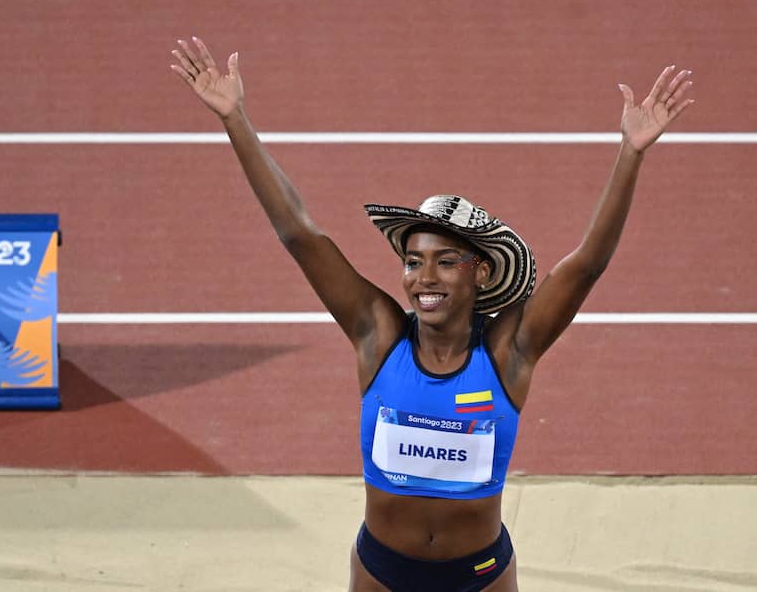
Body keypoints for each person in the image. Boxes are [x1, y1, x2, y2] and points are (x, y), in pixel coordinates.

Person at [170, 36, 693, 592]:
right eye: (414, 261)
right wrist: (235, 119)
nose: (425, 278)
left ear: (481, 272)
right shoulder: (377, 334)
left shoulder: (509, 351)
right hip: (383, 572)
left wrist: (630, 153)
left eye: (445, 262)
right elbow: (300, 233)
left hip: (479, 575)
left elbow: (586, 265)